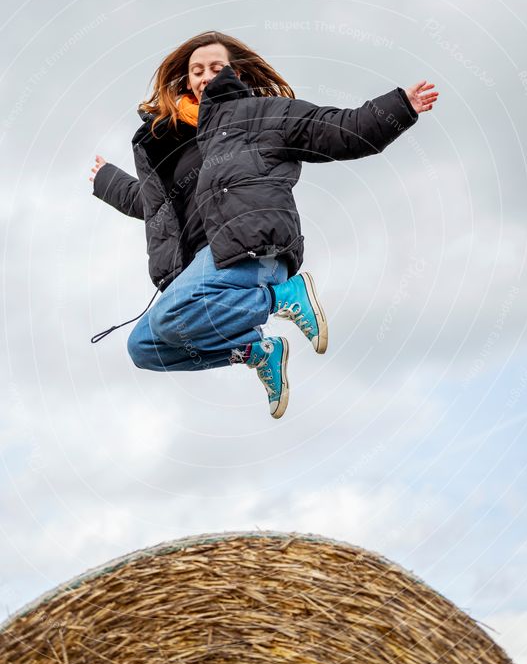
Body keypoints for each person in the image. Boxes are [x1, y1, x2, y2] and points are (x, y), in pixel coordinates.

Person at [90, 31, 438, 418]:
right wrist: (109, 182)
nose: (206, 76)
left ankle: (284, 295)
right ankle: (257, 351)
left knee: (168, 317)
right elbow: (156, 208)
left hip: (252, 250)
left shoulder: (261, 114)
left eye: (215, 67)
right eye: (197, 70)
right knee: (144, 347)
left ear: (233, 73)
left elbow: (341, 130)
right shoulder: (176, 147)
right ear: (186, 80)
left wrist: (400, 107)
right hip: (204, 264)